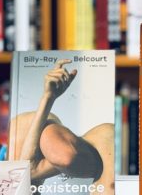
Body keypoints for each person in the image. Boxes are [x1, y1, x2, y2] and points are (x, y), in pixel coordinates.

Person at [11, 60, 114, 195]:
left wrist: (48, 98)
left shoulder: (105, 137)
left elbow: (30, 169)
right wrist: (48, 97)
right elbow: (28, 171)